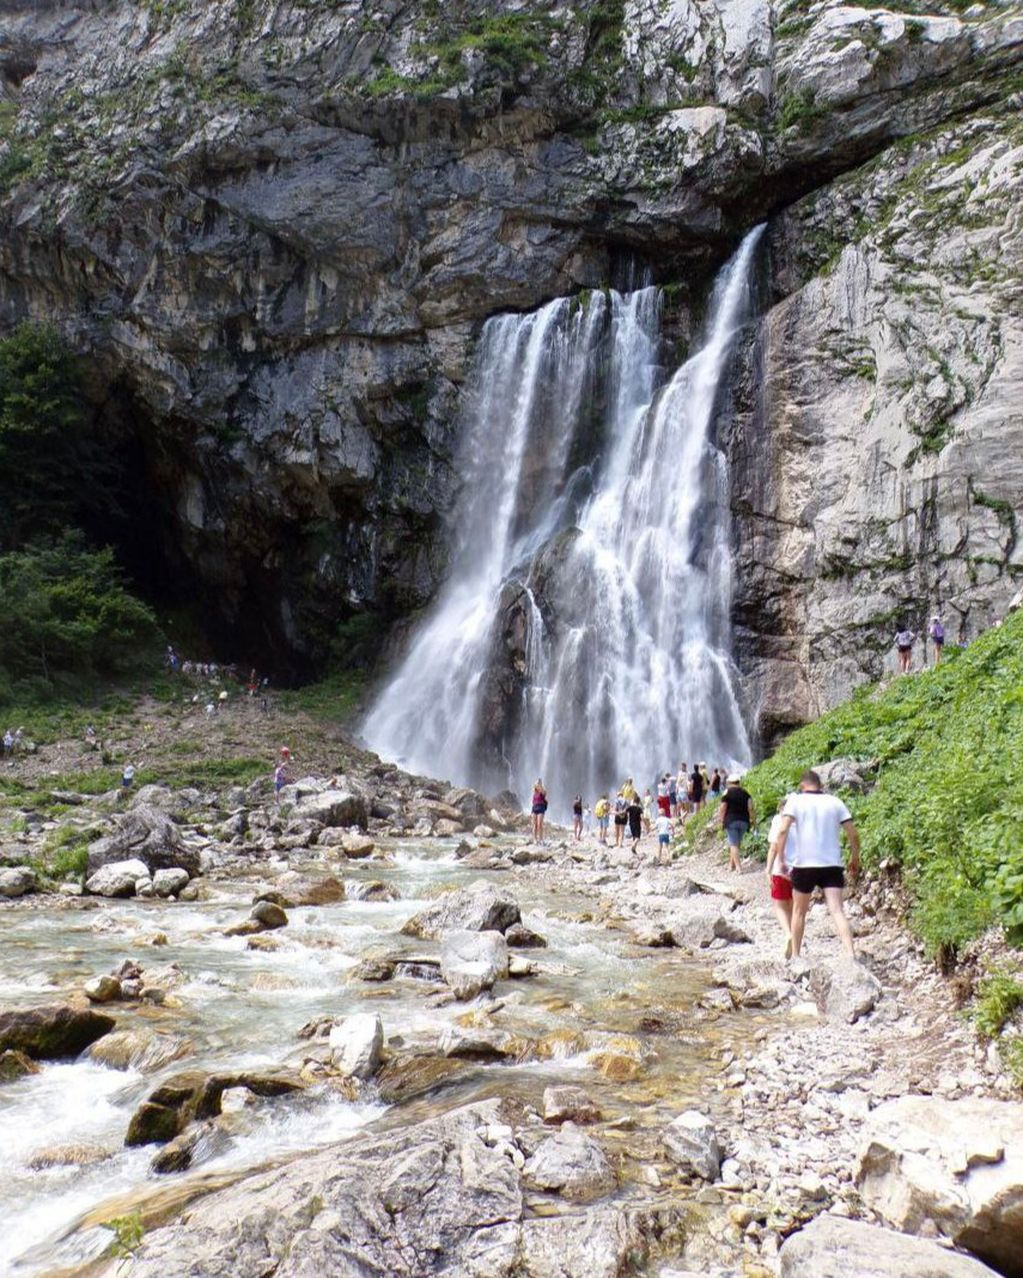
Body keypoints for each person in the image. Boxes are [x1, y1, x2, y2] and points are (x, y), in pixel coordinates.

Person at [773, 769, 861, 959]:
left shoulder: (795, 801)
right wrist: (855, 858)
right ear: (820, 785)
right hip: (832, 864)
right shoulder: (835, 802)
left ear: (802, 785)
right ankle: (850, 953)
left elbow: (782, 831)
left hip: (804, 864)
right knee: (837, 910)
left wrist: (780, 860)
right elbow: (853, 834)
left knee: (799, 912)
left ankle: (796, 956)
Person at [765, 798, 794, 956]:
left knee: (780, 905)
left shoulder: (778, 820)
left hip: (780, 869)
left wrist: (768, 869)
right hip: (800, 869)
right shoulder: (802, 821)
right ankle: (796, 942)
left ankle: (788, 933)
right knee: (795, 906)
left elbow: (773, 847)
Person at [718, 774, 755, 872]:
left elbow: (723, 808)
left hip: (731, 821)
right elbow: (750, 809)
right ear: (739, 782)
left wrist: (721, 820)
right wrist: (753, 822)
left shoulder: (727, 792)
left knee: (733, 844)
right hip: (744, 821)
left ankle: (739, 868)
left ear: (729, 783)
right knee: (736, 843)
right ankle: (731, 866)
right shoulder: (746, 793)